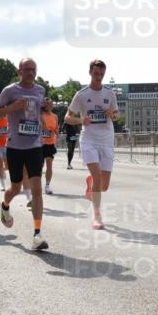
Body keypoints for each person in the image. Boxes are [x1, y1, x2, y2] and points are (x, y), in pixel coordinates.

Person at [0, 58, 49, 250]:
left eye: (34, 69)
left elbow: (37, 113)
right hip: (15, 146)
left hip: (35, 145)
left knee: (36, 188)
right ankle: (5, 205)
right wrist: (11, 108)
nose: (31, 73)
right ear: (19, 71)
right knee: (15, 188)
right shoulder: (10, 91)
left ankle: (37, 234)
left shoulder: (40, 90)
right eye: (27, 69)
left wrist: (46, 109)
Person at [65, 60, 119, 229]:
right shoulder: (81, 94)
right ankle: (97, 216)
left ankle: (91, 186)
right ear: (90, 72)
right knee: (97, 177)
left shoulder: (110, 93)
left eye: (101, 74)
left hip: (107, 140)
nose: (99, 77)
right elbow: (67, 117)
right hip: (89, 140)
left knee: (104, 186)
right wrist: (81, 120)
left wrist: (112, 113)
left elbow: (116, 115)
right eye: (96, 74)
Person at [40, 99, 59, 195]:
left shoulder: (55, 116)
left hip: (50, 143)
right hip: (39, 144)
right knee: (39, 166)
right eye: (47, 104)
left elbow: (56, 130)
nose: (50, 105)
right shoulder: (39, 115)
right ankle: (36, 184)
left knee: (49, 164)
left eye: (51, 104)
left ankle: (47, 185)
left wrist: (55, 131)